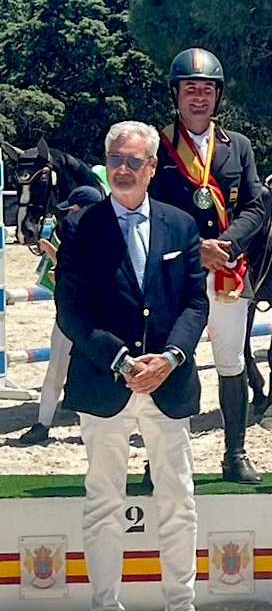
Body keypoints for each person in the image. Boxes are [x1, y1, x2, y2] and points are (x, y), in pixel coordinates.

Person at [55, 121, 208, 611]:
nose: (123, 169)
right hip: (105, 381)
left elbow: (195, 304)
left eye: (133, 161)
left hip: (168, 381)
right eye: (115, 160)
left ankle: (180, 604)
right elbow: (71, 310)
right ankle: (105, 604)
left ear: (151, 167)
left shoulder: (181, 225)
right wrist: (120, 360)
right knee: (103, 502)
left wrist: (170, 357)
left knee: (179, 501)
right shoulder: (79, 227)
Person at [149, 47, 266, 483]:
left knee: (230, 360)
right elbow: (149, 210)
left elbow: (256, 205)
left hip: (226, 271)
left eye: (206, 90)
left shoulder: (240, 147)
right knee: (166, 359)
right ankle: (158, 459)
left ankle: (235, 453)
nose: (198, 98)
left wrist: (228, 245)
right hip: (174, 272)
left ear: (218, 97)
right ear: (176, 95)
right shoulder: (155, 146)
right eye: (190, 89)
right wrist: (196, 247)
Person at [17, 186, 104, 445]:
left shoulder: (105, 238)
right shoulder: (73, 235)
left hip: (89, 316)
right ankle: (42, 423)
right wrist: (52, 254)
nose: (69, 216)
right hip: (70, 313)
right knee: (56, 368)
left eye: (74, 210)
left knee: (81, 370)